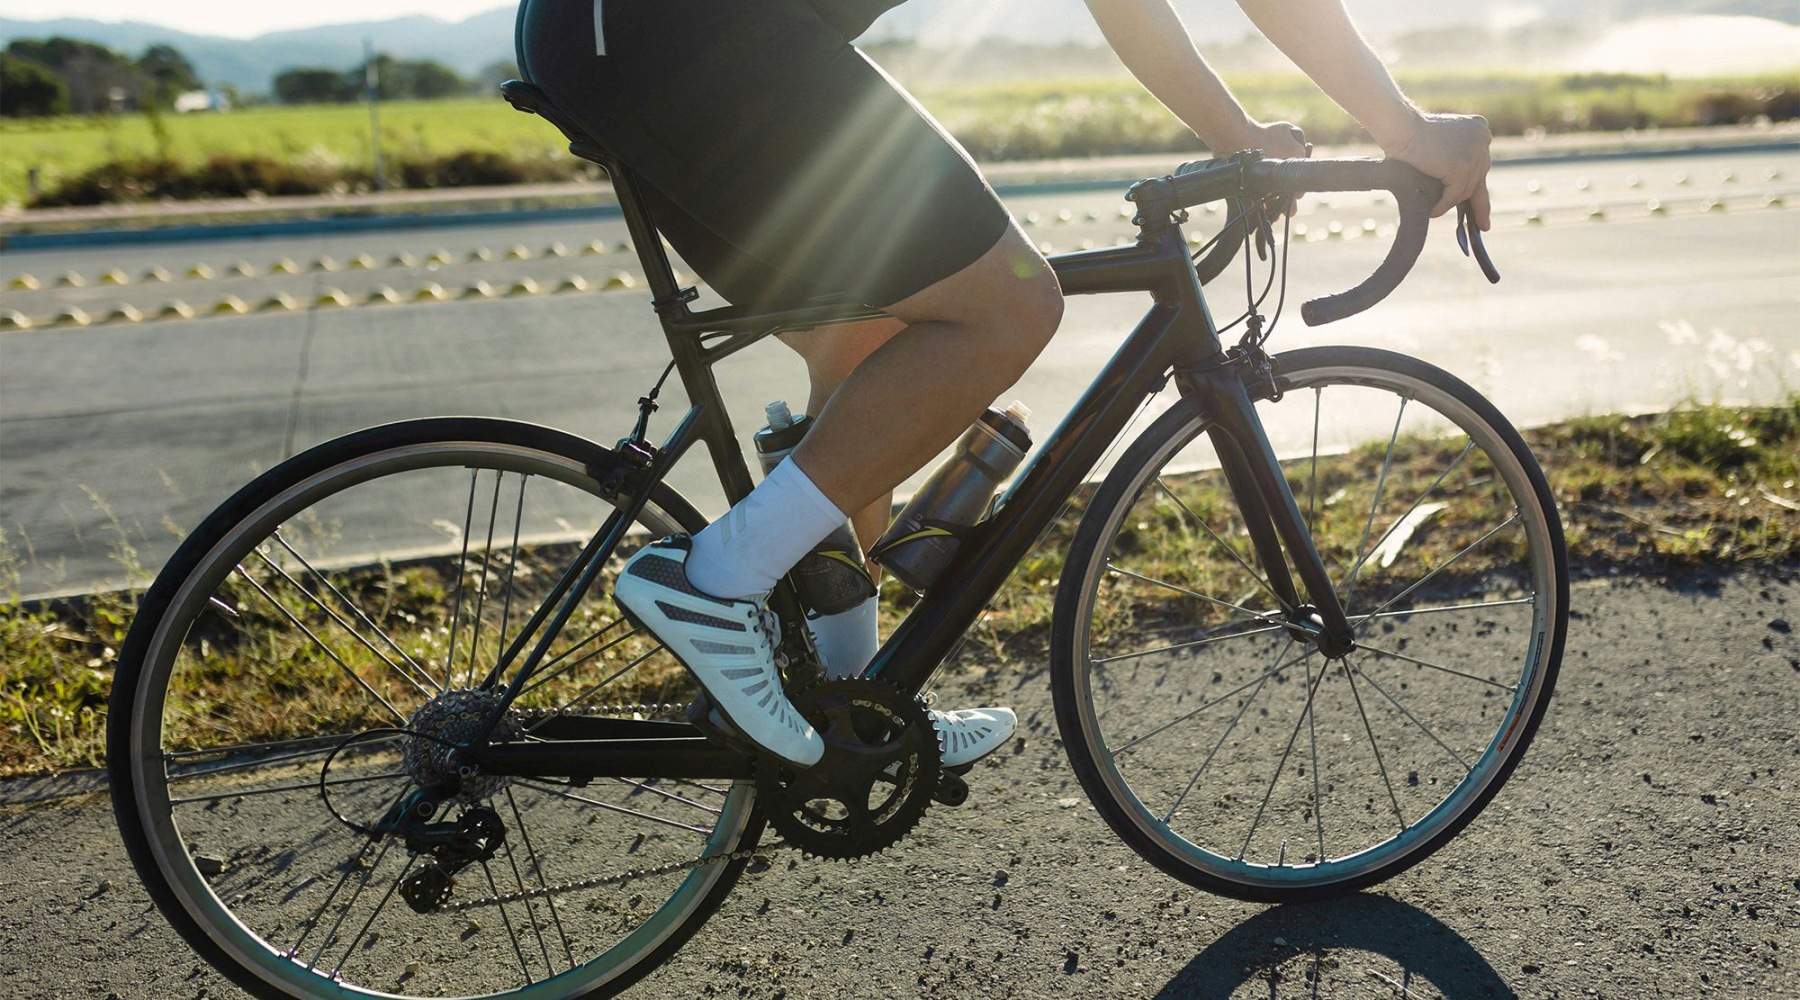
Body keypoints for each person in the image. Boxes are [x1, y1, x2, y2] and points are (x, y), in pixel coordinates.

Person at [515, 0, 1494, 768]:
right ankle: (717, 580)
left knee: (872, 334)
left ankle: (854, 709)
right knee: (1014, 303)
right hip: (683, 29)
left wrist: (1236, 129)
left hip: (616, 32)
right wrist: (1401, 126)